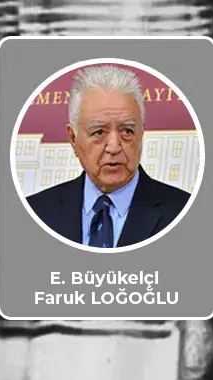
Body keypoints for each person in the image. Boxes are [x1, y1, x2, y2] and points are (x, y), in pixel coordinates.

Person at [25, 64, 191, 249]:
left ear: (141, 133)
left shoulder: (186, 212)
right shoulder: (34, 212)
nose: (114, 147)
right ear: (73, 138)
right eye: (99, 132)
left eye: (127, 131)